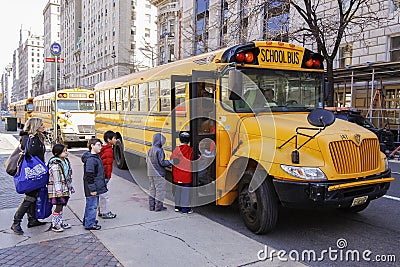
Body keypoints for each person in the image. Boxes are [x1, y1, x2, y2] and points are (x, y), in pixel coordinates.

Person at [11, 117, 47, 235]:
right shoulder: (30, 138)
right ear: (35, 126)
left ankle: (32, 219)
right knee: (30, 197)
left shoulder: (36, 137)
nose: (43, 126)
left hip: (36, 172)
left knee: (34, 196)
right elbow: (30, 153)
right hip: (31, 173)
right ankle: (16, 222)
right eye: (41, 124)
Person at [48, 144, 75, 232]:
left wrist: (70, 187)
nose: (66, 153)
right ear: (57, 153)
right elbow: (57, 180)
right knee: (58, 206)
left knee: (61, 206)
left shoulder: (65, 162)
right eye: (64, 151)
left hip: (64, 188)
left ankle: (59, 222)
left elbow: (68, 176)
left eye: (66, 150)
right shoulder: (55, 165)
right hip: (57, 190)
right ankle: (55, 225)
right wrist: (59, 191)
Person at [81, 138, 108, 230]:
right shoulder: (91, 160)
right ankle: (89, 224)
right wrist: (92, 189)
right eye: (98, 145)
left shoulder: (95, 157)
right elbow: (89, 175)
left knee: (91, 204)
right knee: (92, 206)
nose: (100, 147)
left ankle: (88, 220)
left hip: (93, 186)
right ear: (92, 146)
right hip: (92, 187)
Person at [146, 133, 172, 211]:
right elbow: (162, 163)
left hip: (150, 173)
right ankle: (159, 207)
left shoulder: (150, 149)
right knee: (160, 191)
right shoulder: (159, 150)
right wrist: (171, 162)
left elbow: (147, 160)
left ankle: (151, 206)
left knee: (152, 190)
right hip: (159, 173)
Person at [170, 132, 193, 214]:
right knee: (185, 193)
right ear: (189, 140)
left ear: (180, 139)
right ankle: (185, 209)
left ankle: (177, 207)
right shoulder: (190, 150)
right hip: (186, 176)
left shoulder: (176, 150)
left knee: (178, 192)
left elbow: (172, 160)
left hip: (177, 176)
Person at [98, 130, 117, 219]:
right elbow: (107, 165)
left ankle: (101, 210)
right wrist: (107, 176)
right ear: (109, 140)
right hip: (104, 176)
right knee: (104, 195)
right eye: (114, 138)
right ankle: (104, 212)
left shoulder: (103, 148)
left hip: (101, 176)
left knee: (101, 194)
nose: (116, 140)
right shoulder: (108, 150)